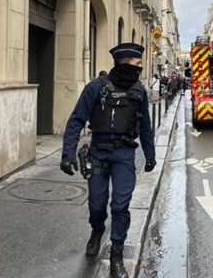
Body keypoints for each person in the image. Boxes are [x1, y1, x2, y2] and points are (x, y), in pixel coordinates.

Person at [60, 43, 156, 278]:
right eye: (136, 64)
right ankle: (97, 229)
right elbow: (76, 120)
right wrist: (68, 153)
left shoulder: (139, 91)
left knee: (120, 206)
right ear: (124, 63)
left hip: (124, 154)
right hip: (98, 153)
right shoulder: (96, 88)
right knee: (96, 205)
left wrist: (150, 155)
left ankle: (116, 256)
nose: (139, 68)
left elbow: (145, 127)